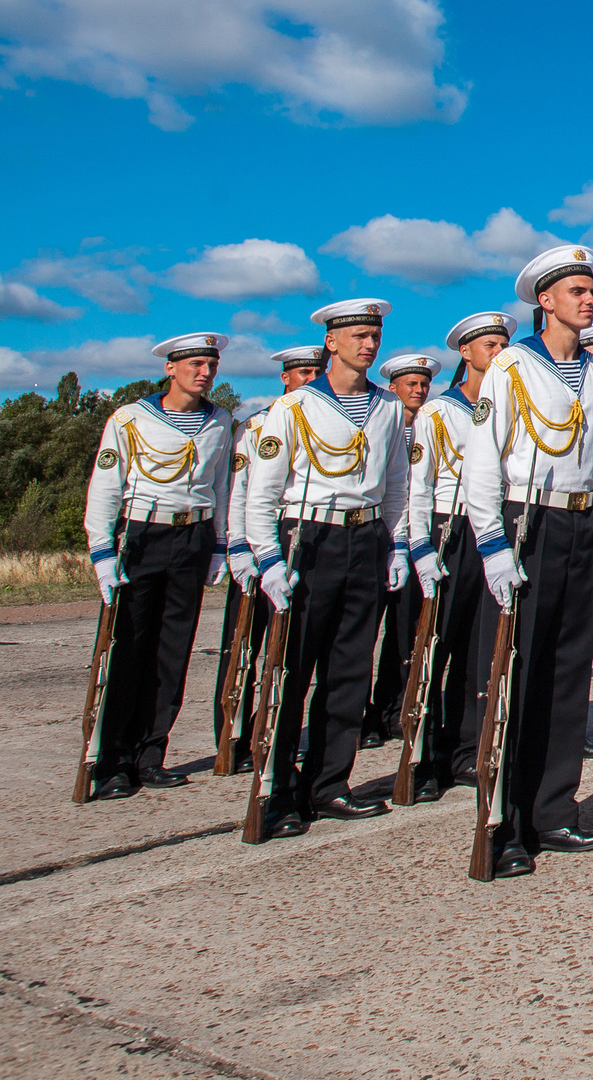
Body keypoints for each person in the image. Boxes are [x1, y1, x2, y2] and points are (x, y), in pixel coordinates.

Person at [464, 246, 593, 877]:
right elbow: (483, 461)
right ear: (545, 301)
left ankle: (553, 810)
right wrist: (493, 545)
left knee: (566, 673)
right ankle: (503, 820)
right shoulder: (510, 367)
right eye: (575, 291)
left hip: (581, 525)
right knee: (516, 676)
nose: (588, 299)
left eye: (591, 290)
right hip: (529, 522)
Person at [239, 301, 410, 837]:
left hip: (366, 536)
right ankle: (277, 790)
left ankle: (329, 783)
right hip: (308, 538)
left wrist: (399, 544)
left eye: (375, 336)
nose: (369, 345)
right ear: (331, 343)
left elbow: (398, 484)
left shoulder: (387, 408)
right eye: (359, 336)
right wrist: (266, 556)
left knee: (350, 670)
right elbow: (262, 493)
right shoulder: (293, 408)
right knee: (292, 669)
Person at [79, 332, 238, 800]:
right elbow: (106, 486)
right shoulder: (130, 419)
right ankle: (109, 761)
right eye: (194, 364)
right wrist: (102, 552)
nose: (204, 372)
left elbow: (221, 485)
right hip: (142, 535)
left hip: (193, 537)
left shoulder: (220, 421)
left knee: (172, 653)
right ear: (170, 367)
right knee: (129, 649)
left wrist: (219, 545)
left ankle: (151, 754)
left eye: (210, 364)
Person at [403, 313, 509, 799]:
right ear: (466, 353)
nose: (498, 351)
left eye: (503, 343)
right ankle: (420, 759)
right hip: (449, 529)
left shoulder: (508, 400)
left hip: (490, 528)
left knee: (476, 651)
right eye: (490, 344)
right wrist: (419, 545)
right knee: (434, 648)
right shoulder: (438, 413)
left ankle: (464, 749)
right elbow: (417, 487)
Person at [214, 343, 322, 767]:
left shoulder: (318, 419)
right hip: (256, 546)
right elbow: (240, 493)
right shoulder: (256, 427)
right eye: (303, 375)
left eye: (317, 374)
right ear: (286, 377)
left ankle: (272, 730)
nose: (311, 381)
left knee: (286, 647)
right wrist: (238, 547)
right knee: (243, 648)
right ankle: (231, 735)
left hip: (292, 544)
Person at [364, 351, 441, 749]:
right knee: (364, 633)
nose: (419, 390)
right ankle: (363, 713)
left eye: (424, 384)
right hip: (380, 535)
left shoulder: (430, 427)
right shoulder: (383, 427)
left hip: (416, 541)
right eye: (410, 384)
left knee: (404, 632)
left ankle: (395, 705)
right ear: (392, 389)